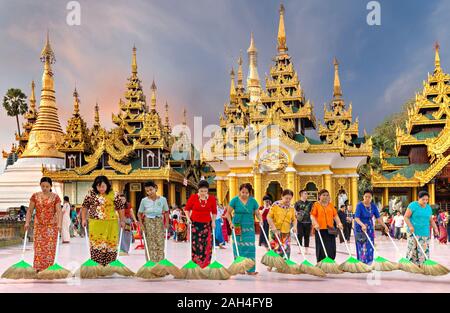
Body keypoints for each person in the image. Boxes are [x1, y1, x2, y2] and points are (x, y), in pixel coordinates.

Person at [81, 175, 126, 266]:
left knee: (110, 244)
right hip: (96, 223)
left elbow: (120, 208)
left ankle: (109, 266)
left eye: (103, 186)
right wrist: (83, 219)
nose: (101, 188)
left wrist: (122, 220)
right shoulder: (91, 194)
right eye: (98, 186)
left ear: (107, 185)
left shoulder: (114, 194)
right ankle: (97, 265)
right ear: (95, 186)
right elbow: (85, 207)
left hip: (111, 223)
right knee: (97, 244)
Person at [24, 177, 62, 272]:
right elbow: (29, 210)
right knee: (38, 248)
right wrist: (27, 222)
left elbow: (59, 211)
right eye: (43, 186)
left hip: (51, 227)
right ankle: (38, 268)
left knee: (50, 248)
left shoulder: (55, 197)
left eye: (47, 186)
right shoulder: (35, 196)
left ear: (50, 186)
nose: (45, 188)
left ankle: (49, 268)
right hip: (39, 226)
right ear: (40, 185)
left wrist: (60, 224)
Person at [226, 183, 262, 275]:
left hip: (249, 226)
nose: (244, 194)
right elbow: (228, 213)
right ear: (239, 192)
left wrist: (260, 220)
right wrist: (230, 223)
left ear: (249, 193)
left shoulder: (253, 201)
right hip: (237, 225)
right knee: (239, 246)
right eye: (242, 192)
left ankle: (251, 269)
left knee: (250, 247)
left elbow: (257, 213)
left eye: (246, 193)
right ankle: (240, 268)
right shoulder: (234, 200)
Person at [185, 180, 217, 268]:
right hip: (195, 225)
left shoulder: (211, 199)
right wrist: (188, 218)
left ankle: (206, 265)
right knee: (196, 245)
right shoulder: (193, 197)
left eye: (205, 191)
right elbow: (187, 209)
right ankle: (196, 265)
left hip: (207, 225)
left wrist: (213, 221)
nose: (203, 193)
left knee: (207, 245)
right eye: (201, 191)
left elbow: (214, 212)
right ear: (198, 190)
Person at [404, 191, 439, 265]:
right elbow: (406, 217)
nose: (425, 201)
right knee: (412, 249)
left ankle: (423, 265)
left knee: (424, 249)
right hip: (413, 231)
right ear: (418, 198)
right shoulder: (413, 205)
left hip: (425, 232)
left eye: (427, 200)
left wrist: (435, 228)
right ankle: (411, 265)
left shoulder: (428, 207)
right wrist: (410, 226)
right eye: (423, 199)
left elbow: (431, 220)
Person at [354, 189, 389, 264]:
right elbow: (356, 218)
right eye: (366, 196)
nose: (367, 198)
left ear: (371, 198)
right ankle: (362, 262)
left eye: (369, 197)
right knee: (362, 245)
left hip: (369, 228)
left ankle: (369, 262)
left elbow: (378, 218)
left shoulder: (373, 206)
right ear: (363, 197)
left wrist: (385, 226)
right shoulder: (359, 205)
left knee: (370, 245)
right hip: (360, 227)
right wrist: (362, 225)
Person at [137, 181, 169, 262]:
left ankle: (161, 263)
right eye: (147, 191)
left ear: (155, 188)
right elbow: (139, 213)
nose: (149, 192)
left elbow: (166, 211)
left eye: (151, 190)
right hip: (148, 222)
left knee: (160, 242)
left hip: (159, 221)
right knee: (150, 242)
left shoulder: (163, 199)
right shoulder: (144, 200)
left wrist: (167, 223)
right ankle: (151, 263)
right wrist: (141, 225)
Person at [310, 189, 343, 262]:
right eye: (323, 195)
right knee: (321, 247)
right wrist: (315, 224)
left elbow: (335, 216)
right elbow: (312, 216)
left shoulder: (331, 205)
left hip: (330, 229)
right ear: (319, 196)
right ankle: (321, 263)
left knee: (331, 247)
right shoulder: (316, 205)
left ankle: (331, 262)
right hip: (320, 229)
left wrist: (339, 223)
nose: (325, 197)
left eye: (327, 195)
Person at [267, 189, 297, 260]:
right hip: (275, 231)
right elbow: (269, 217)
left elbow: (294, 219)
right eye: (286, 198)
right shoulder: (275, 205)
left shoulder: (291, 208)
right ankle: (271, 264)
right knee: (275, 248)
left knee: (286, 249)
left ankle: (284, 264)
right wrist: (273, 227)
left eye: (290, 199)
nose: (288, 200)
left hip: (286, 232)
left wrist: (295, 226)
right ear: (282, 196)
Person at [294, 189, 312, 254]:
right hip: (300, 222)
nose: (306, 195)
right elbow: (294, 212)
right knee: (300, 235)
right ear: (301, 194)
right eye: (305, 193)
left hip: (308, 222)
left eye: (307, 194)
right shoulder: (297, 203)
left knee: (307, 236)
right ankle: (300, 249)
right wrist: (297, 214)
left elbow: (312, 212)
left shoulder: (310, 203)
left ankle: (307, 250)